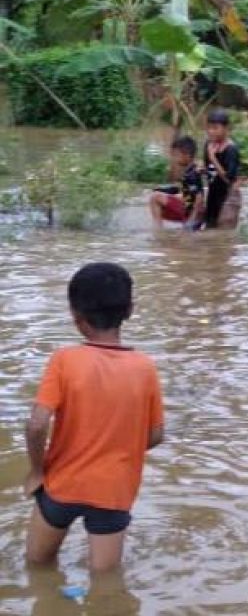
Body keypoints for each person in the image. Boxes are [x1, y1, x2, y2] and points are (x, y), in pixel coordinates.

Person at [23, 263, 165, 573]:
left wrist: (36, 471)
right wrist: (116, 451)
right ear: (129, 309)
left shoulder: (65, 360)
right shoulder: (145, 367)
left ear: (75, 315)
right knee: (105, 584)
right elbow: (156, 435)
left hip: (62, 487)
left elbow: (36, 424)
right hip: (113, 492)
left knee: (37, 566)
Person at [148, 136, 204, 229]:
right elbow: (184, 190)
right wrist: (164, 190)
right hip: (188, 210)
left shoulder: (192, 174)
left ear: (187, 155)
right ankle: (160, 230)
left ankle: (158, 231)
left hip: (191, 213)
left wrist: (191, 220)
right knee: (159, 199)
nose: (174, 158)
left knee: (155, 198)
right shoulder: (189, 171)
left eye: (176, 155)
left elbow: (199, 199)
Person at [202, 109, 241, 229]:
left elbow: (229, 180)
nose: (211, 132)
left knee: (225, 231)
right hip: (212, 194)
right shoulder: (208, 145)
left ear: (226, 128)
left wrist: (213, 159)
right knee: (210, 226)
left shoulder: (231, 150)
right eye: (209, 128)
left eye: (215, 128)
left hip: (228, 197)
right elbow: (209, 169)